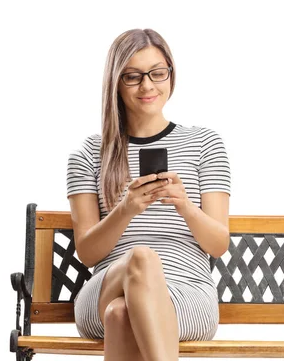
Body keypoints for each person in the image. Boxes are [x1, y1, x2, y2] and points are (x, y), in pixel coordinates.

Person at [66, 29, 231, 361]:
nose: (147, 86)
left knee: (121, 315)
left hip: (187, 294)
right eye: (133, 76)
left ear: (171, 73)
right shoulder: (89, 153)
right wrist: (125, 210)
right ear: (115, 81)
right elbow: (87, 252)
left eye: (158, 73)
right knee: (141, 259)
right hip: (105, 288)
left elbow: (218, 244)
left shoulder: (205, 144)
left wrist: (185, 206)